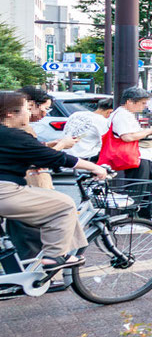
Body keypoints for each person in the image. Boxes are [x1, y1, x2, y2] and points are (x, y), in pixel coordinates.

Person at [0, 89, 114, 272]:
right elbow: (55, 158)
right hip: (6, 191)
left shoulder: (7, 134)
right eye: (25, 109)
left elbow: (30, 153)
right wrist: (94, 167)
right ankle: (55, 256)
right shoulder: (14, 134)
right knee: (65, 205)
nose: (29, 113)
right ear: (10, 113)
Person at [100, 88, 152, 217]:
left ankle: (143, 219)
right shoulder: (121, 115)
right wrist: (150, 131)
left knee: (146, 187)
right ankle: (130, 220)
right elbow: (127, 137)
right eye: (142, 102)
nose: (144, 105)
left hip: (138, 156)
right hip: (135, 156)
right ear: (130, 102)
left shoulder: (124, 114)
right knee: (137, 189)